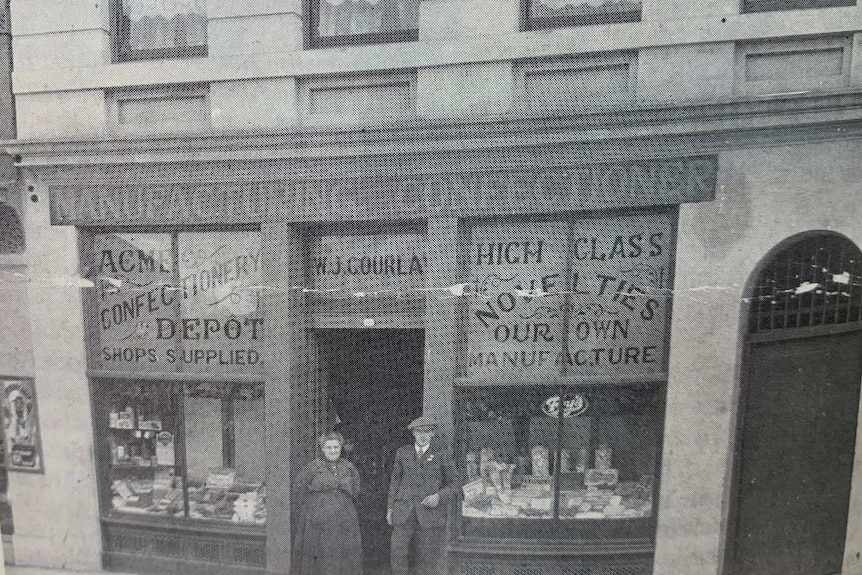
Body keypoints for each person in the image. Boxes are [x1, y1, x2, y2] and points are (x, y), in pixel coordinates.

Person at [387, 416, 457, 575]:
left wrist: (439, 497)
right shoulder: (403, 453)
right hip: (404, 511)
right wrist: (390, 509)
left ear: (432, 433)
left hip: (429, 514)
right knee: (397, 553)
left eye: (427, 431)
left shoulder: (442, 453)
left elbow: (454, 483)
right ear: (413, 433)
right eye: (419, 431)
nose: (423, 435)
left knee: (426, 557)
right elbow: (394, 482)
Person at [292, 431, 363, 575]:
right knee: (321, 554)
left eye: (336, 447)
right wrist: (311, 510)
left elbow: (356, 490)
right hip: (318, 520)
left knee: (342, 554)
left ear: (340, 448)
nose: (333, 450)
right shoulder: (313, 467)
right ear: (322, 449)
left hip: (344, 520)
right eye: (329, 447)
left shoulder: (349, 467)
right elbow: (298, 488)